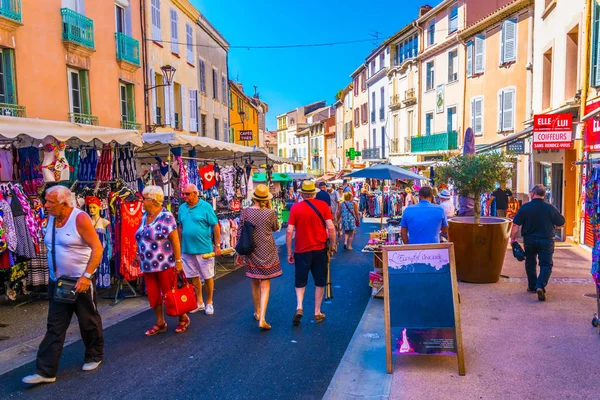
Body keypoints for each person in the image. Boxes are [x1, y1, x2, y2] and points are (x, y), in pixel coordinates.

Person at [23, 186, 104, 385]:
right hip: (58, 282)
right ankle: (45, 371)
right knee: (55, 326)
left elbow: (97, 248)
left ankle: (94, 355)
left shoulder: (80, 218)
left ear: (65, 203)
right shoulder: (52, 217)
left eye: (50, 202)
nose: (45, 205)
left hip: (80, 282)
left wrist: (86, 276)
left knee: (88, 321)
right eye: (46, 201)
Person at [136, 186, 190, 335]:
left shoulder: (166, 216)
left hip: (165, 262)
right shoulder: (144, 216)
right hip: (147, 263)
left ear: (153, 200)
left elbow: (175, 241)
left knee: (170, 294)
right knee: (153, 295)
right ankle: (160, 322)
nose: (142, 201)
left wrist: (178, 261)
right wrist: (137, 253)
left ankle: (183, 317)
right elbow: (140, 237)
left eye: (144, 198)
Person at [286, 181, 336, 324]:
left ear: (301, 194)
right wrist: (332, 246)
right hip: (320, 249)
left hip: (301, 250)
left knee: (300, 280)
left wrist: (289, 251)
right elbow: (331, 228)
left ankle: (300, 306)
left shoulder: (295, 208)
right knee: (320, 281)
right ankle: (317, 311)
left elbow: (289, 231)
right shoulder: (324, 206)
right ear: (314, 193)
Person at [510, 185, 565, 301]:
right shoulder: (550, 208)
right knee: (546, 264)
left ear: (532, 194)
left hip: (529, 240)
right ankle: (540, 286)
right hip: (546, 240)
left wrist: (512, 239)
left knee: (530, 262)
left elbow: (515, 225)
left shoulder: (525, 207)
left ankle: (532, 286)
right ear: (544, 195)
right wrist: (555, 225)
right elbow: (561, 222)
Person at [238, 184, 282, 330]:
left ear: (254, 198)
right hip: (267, 250)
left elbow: (239, 231)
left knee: (255, 281)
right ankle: (262, 318)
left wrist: (239, 253)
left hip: (251, 249)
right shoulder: (270, 213)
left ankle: (257, 311)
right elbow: (276, 228)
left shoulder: (245, 212)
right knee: (265, 284)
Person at [178, 183, 221, 315]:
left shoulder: (206, 207)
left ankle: (209, 302)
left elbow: (216, 226)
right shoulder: (182, 208)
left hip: (204, 249)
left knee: (208, 276)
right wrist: (179, 246)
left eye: (187, 194)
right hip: (187, 249)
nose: (184, 196)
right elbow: (180, 227)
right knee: (193, 276)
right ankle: (199, 302)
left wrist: (217, 245)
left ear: (195, 194)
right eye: (183, 194)